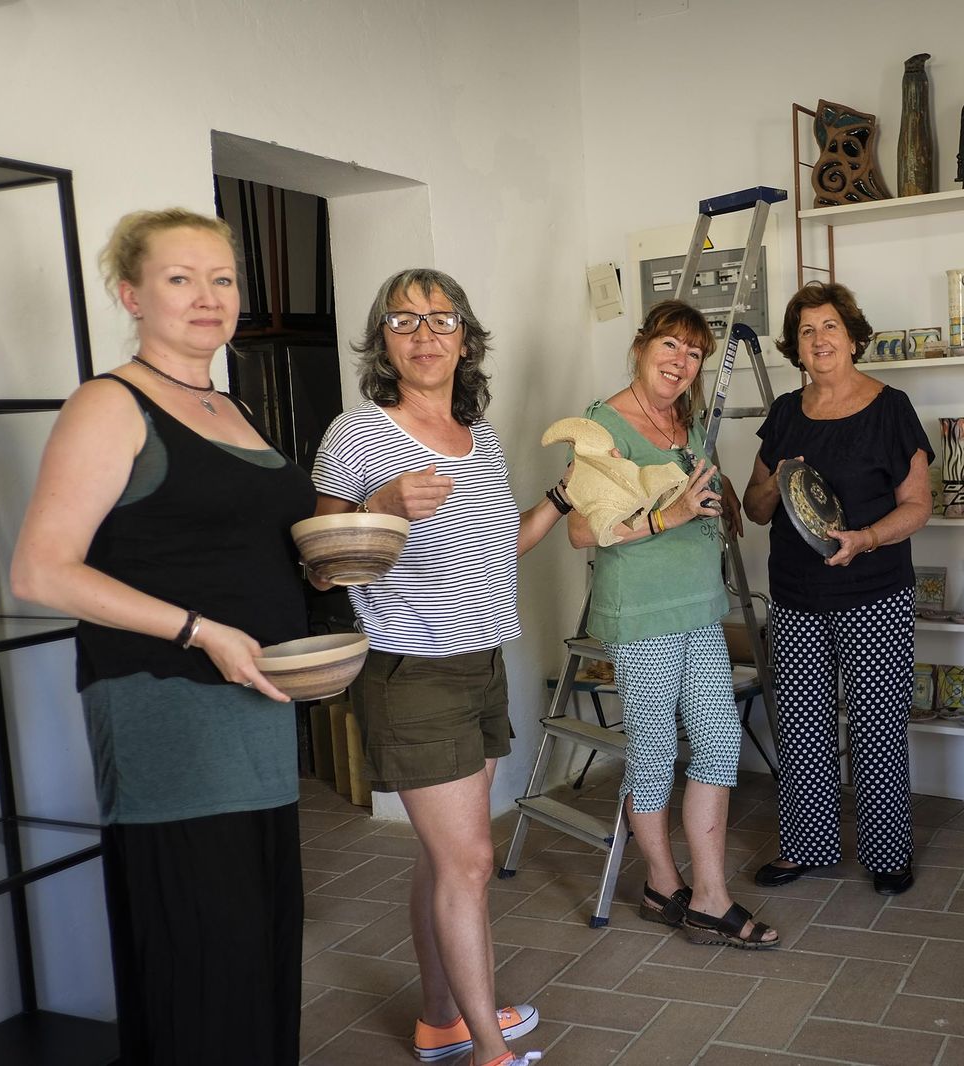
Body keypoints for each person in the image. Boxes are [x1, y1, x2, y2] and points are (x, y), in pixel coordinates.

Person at [10, 208, 311, 1064]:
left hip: (253, 703)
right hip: (168, 709)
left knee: (256, 940)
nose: (207, 297)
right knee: (200, 946)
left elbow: (238, 544)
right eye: (180, 278)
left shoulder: (229, 403)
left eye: (221, 278)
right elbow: (40, 572)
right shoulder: (109, 404)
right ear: (130, 294)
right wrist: (199, 630)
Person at [310, 269, 560, 1066]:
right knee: (472, 862)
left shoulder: (479, 437)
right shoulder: (359, 433)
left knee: (444, 857)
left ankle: (441, 1019)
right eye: (405, 320)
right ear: (383, 340)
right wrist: (380, 504)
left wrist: (561, 498)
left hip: (482, 665)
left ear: (466, 337)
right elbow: (320, 566)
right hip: (412, 673)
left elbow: (499, 547)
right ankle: (488, 1049)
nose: (425, 334)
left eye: (442, 319)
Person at [566, 299, 778, 950]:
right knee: (656, 753)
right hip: (645, 613)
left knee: (718, 744)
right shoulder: (605, 427)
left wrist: (724, 500)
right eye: (671, 346)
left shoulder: (680, 418)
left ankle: (710, 896)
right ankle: (664, 883)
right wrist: (670, 518)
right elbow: (580, 529)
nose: (682, 363)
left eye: (695, 355)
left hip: (698, 604)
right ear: (640, 346)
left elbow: (691, 482)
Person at [745, 282, 932, 897]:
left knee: (877, 724)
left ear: (853, 338)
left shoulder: (891, 408)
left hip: (874, 591)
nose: (819, 339)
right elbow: (755, 506)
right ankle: (808, 846)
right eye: (806, 331)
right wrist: (777, 479)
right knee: (800, 726)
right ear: (795, 348)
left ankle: (886, 853)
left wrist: (867, 539)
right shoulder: (785, 415)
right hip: (796, 595)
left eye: (830, 327)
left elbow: (917, 507)